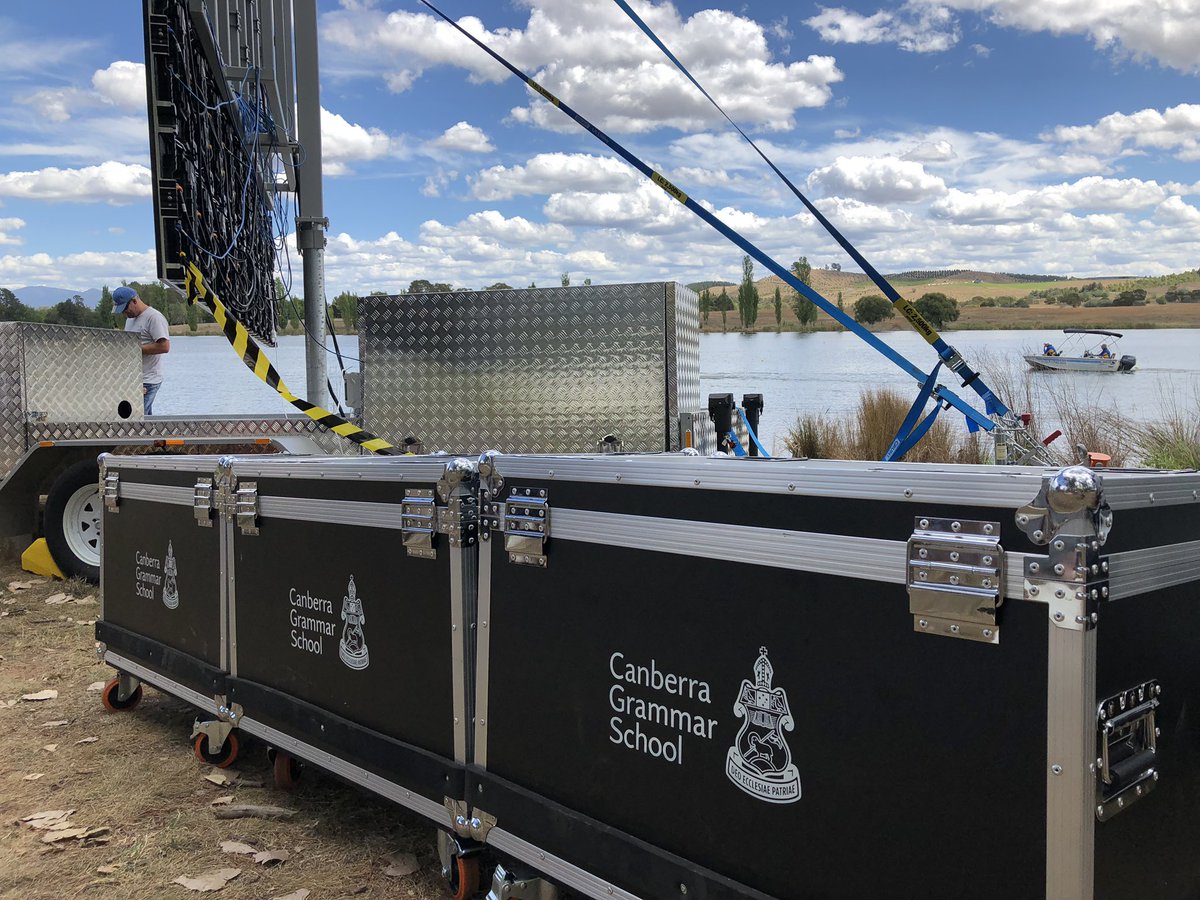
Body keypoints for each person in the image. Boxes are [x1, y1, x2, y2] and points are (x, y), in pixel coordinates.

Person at [113, 286, 170, 414]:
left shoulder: (154, 317)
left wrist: (134, 348)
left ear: (134, 301)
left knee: (137, 420)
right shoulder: (130, 319)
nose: (124, 313)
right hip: (134, 379)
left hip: (148, 380)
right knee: (144, 422)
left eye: (125, 308)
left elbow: (164, 346)